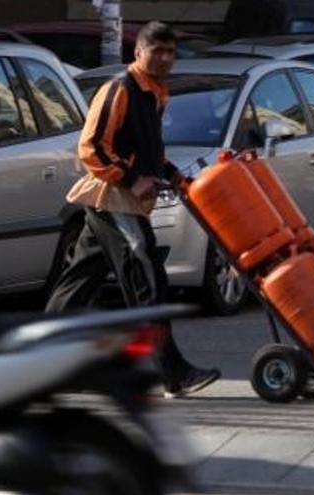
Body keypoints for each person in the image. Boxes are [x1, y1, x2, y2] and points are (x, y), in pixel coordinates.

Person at [45, 21, 219, 398]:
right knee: (147, 278)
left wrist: (170, 174)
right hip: (115, 198)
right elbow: (91, 147)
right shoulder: (120, 89)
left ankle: (35, 359)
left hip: (118, 200)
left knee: (78, 283)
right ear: (138, 52)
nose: (167, 59)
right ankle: (173, 373)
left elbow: (144, 147)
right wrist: (131, 179)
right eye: (158, 51)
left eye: (171, 52)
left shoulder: (155, 92)